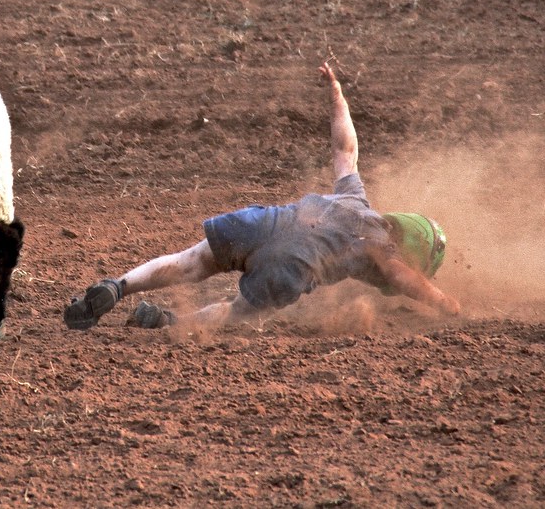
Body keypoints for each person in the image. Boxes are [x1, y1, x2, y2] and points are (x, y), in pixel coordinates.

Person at [64, 62, 460, 331]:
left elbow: (345, 150)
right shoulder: (385, 249)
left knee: (190, 262)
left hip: (269, 222)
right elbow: (401, 278)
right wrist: (445, 303)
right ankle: (170, 322)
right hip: (291, 265)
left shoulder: (355, 198)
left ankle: (118, 286)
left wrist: (338, 95)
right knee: (238, 314)